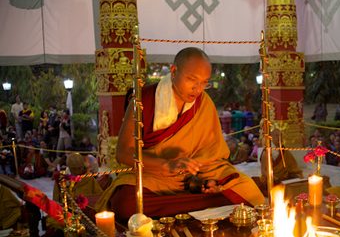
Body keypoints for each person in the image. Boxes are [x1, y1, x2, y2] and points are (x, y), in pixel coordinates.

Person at [96, 47, 264, 221]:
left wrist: (206, 182)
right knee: (126, 203)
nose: (197, 89)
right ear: (174, 70)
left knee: (246, 190)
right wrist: (167, 165)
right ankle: (207, 206)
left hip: (196, 174)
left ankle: (200, 199)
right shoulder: (142, 100)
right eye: (192, 80)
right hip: (155, 174)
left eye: (204, 82)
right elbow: (123, 153)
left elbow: (212, 157)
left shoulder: (204, 102)